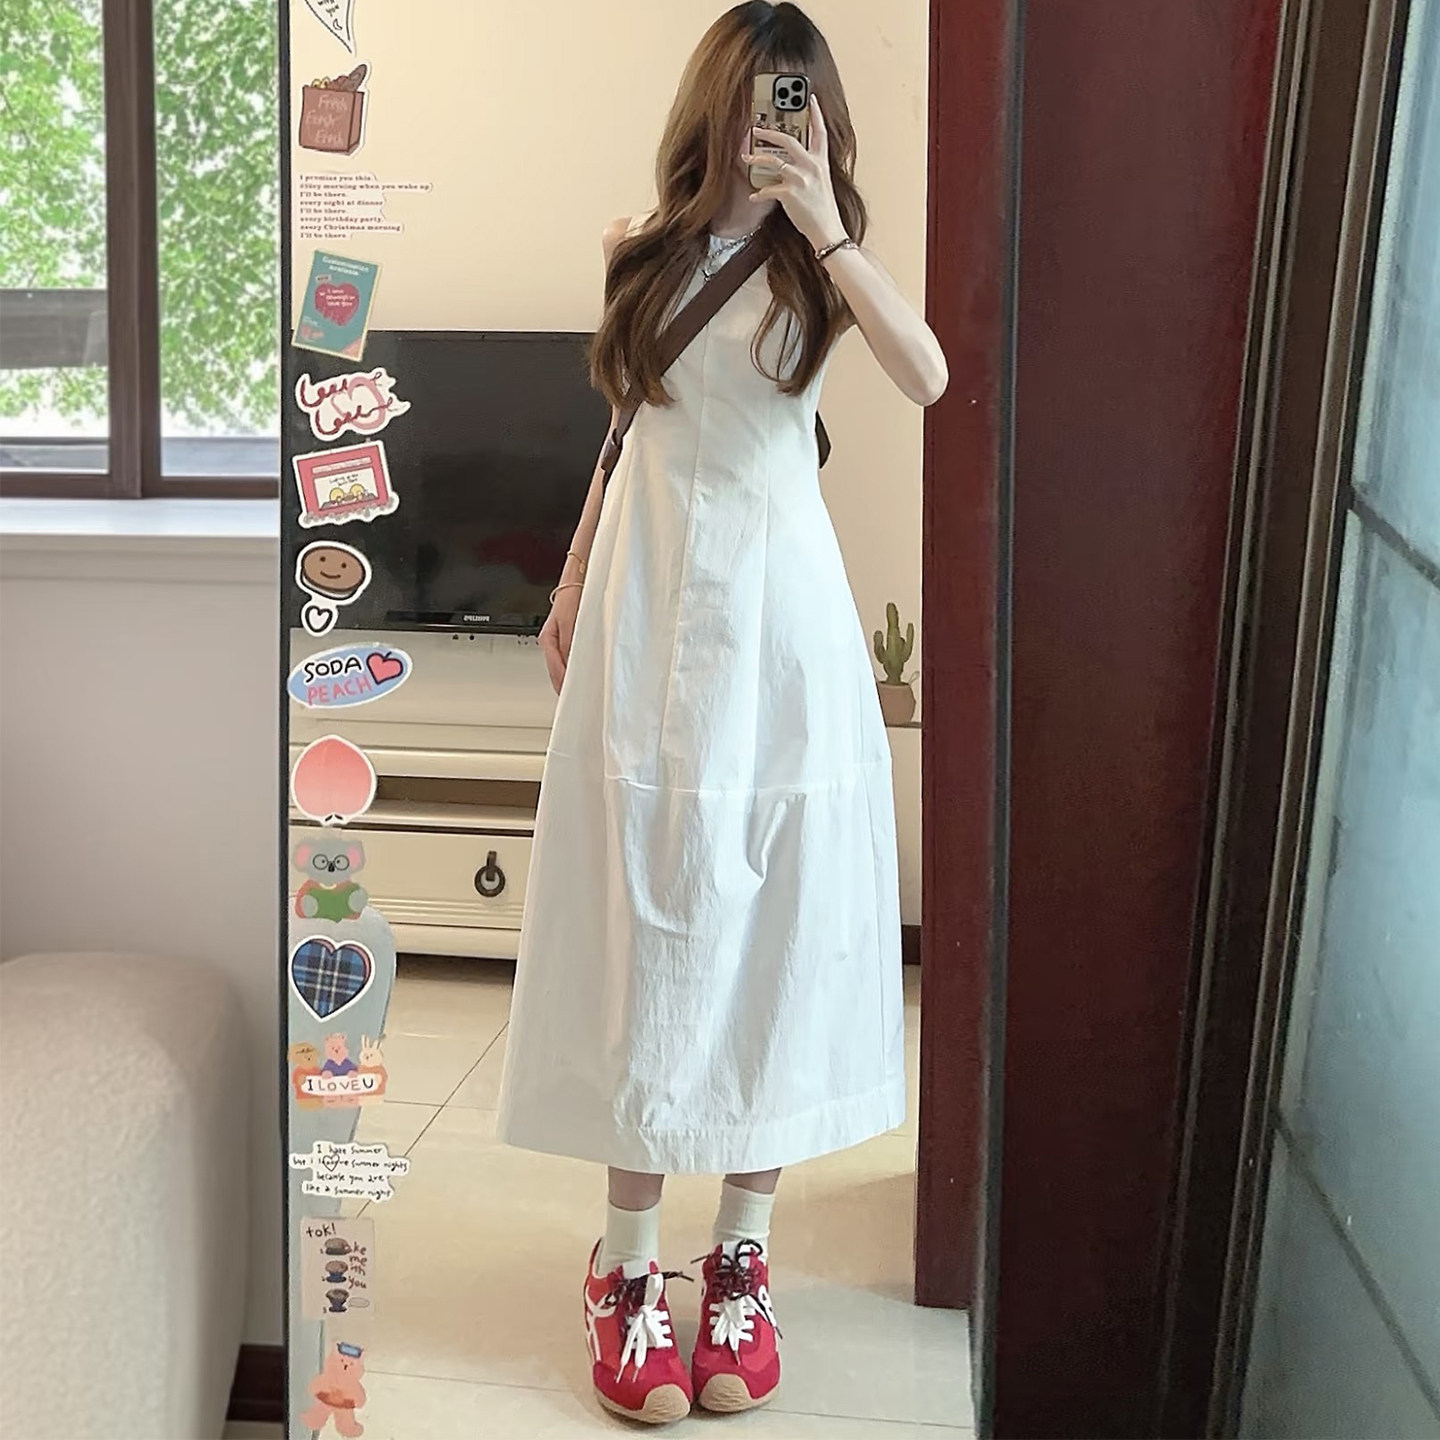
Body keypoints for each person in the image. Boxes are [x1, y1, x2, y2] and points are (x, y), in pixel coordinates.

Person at [495, 1, 947, 1424]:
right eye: (755, 97)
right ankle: (626, 1266)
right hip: (647, 607)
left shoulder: (826, 263)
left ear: (821, 118)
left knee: (779, 928)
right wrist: (572, 578)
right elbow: (624, 424)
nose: (771, 123)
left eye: (794, 101)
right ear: (713, 104)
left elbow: (930, 375)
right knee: (649, 920)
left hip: (781, 625)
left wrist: (828, 226)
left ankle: (740, 1255)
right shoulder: (641, 246)